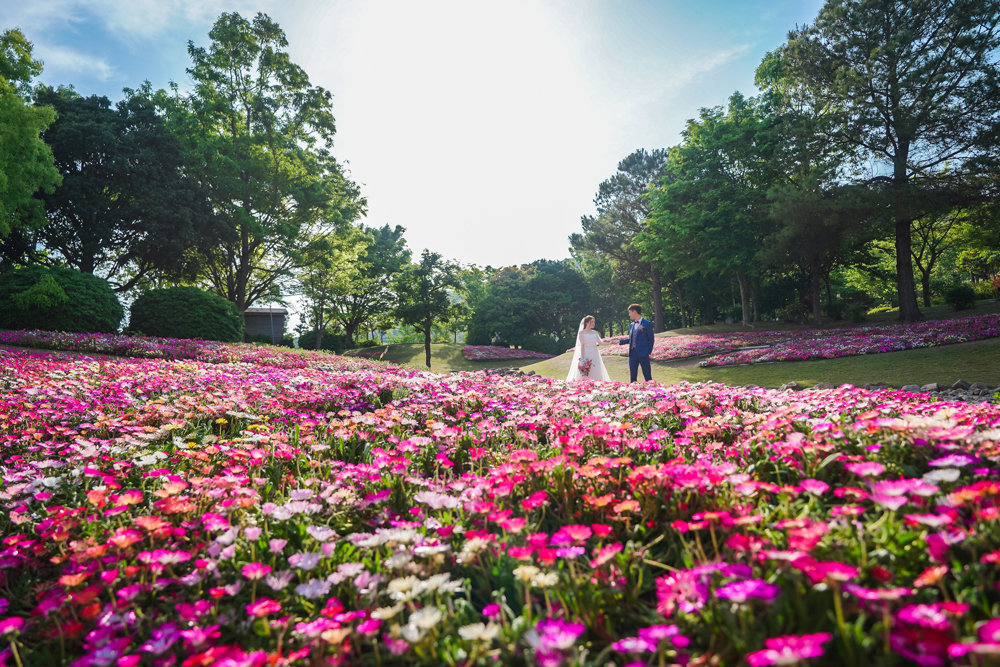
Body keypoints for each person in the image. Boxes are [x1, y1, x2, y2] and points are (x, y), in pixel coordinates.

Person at [566, 315, 611, 382]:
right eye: (591, 322)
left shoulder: (594, 332)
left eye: (594, 322)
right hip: (587, 352)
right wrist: (582, 358)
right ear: (586, 323)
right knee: (587, 369)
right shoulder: (582, 333)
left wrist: (610, 343)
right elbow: (582, 346)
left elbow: (600, 343)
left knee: (595, 368)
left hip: (595, 352)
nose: (593, 323)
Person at [619, 303, 653, 382]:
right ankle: (633, 389)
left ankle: (651, 389)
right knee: (633, 376)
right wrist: (619, 342)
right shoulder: (631, 325)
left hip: (643, 353)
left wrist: (648, 351)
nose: (629, 315)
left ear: (634, 312)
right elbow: (631, 339)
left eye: (630, 312)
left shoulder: (647, 324)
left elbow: (651, 339)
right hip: (632, 354)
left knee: (647, 375)